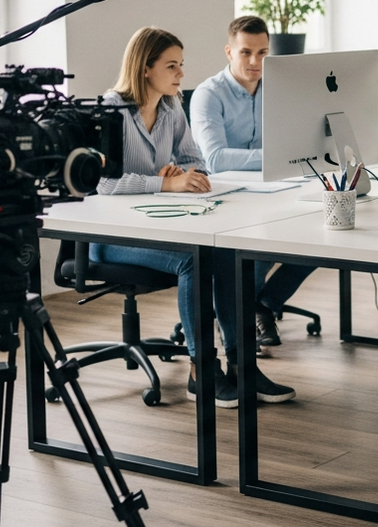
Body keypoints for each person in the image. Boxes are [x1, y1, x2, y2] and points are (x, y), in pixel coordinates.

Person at [90, 26, 295, 408]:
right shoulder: (111, 110)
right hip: (111, 238)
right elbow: (105, 185)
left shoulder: (171, 107)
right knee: (193, 261)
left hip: (157, 223)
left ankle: (242, 366)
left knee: (224, 255)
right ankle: (201, 369)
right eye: (172, 66)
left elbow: (196, 163)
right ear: (145, 68)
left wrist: (177, 177)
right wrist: (162, 183)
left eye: (181, 65)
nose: (181, 74)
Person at [189, 15, 317, 347]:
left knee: (321, 230)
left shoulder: (276, 88)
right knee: (256, 247)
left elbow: (297, 141)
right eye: (246, 52)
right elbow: (216, 159)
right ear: (229, 51)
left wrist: (294, 153)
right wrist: (277, 156)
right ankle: (240, 322)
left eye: (262, 53)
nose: (255, 62)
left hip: (272, 189)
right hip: (225, 196)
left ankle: (263, 305)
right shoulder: (208, 94)